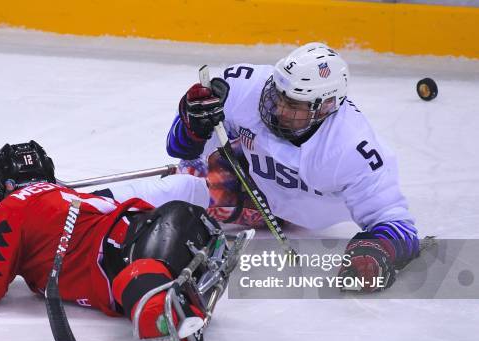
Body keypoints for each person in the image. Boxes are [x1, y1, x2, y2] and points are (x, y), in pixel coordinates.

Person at [0, 140, 247, 341]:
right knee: (136, 274)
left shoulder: (12, 206)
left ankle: (164, 309)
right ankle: (175, 297)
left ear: (5, 186)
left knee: (148, 307)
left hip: (139, 254)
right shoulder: (66, 195)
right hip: (173, 226)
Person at [166, 42, 420, 292]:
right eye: (278, 95)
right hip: (248, 175)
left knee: (189, 198)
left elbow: (399, 226)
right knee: (185, 183)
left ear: (326, 106)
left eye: (294, 105)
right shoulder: (246, 86)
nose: (278, 109)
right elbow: (180, 149)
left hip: (299, 212)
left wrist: (376, 250)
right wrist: (193, 126)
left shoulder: (352, 149)